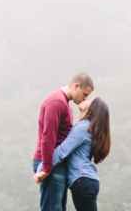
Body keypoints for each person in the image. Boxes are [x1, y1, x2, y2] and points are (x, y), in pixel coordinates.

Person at [34, 97, 111, 211]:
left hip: (83, 180)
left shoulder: (83, 128)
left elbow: (62, 151)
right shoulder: (87, 128)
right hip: (87, 181)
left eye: (89, 100)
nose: (85, 99)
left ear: (91, 110)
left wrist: (42, 167)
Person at [33, 73, 94, 211]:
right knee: (52, 208)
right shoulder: (57, 102)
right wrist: (47, 168)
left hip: (56, 163)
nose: (85, 98)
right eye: (84, 94)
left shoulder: (64, 103)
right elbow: (48, 136)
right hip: (50, 162)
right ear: (76, 86)